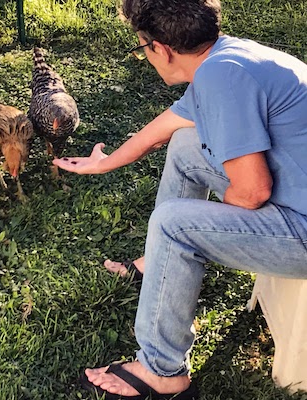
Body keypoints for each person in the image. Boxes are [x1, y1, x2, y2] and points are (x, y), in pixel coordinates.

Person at [53, 0, 307, 399]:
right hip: (297, 196)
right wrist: (103, 164)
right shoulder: (228, 58)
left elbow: (253, 190)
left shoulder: (220, 78)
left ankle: (162, 370)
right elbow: (167, 126)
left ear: (160, 48)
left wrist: (203, 228)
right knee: (188, 145)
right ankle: (160, 263)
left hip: (303, 229)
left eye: (141, 49)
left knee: (174, 224)